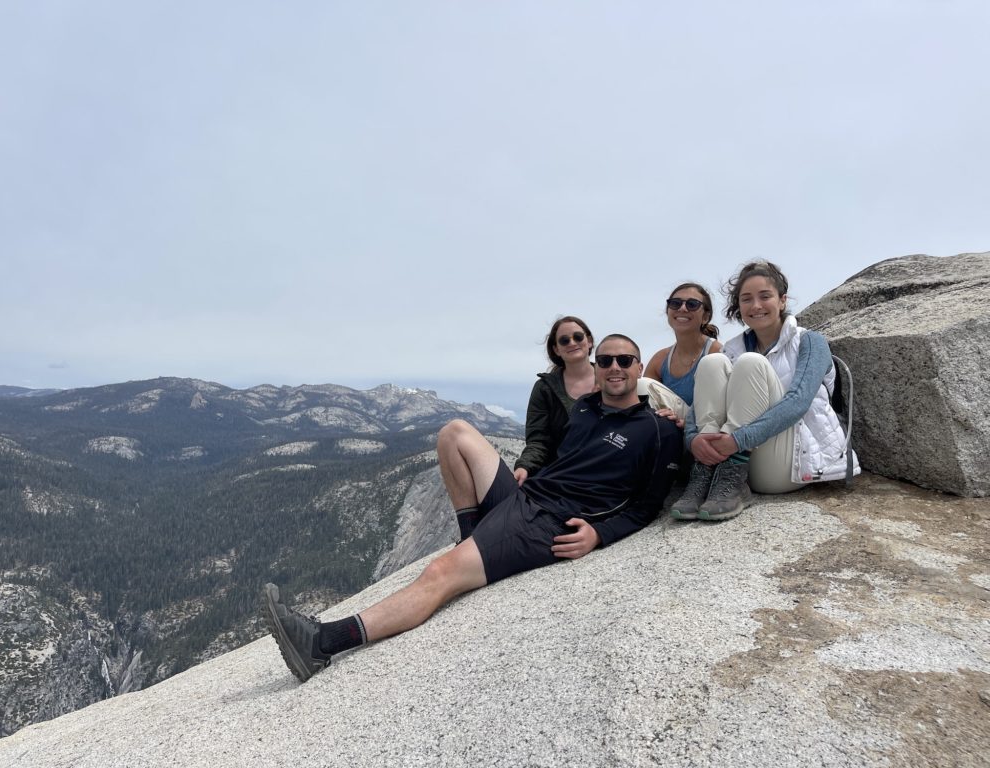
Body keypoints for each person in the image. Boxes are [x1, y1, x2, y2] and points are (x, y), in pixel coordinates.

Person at [262, 334, 682, 682]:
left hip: (546, 523)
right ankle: (475, 536)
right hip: (526, 496)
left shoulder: (658, 430)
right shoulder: (588, 408)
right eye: (605, 359)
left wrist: (598, 534)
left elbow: (647, 507)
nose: (614, 367)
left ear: (639, 367)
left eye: (624, 360)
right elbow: (556, 446)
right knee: (454, 432)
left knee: (440, 572)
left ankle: (321, 644)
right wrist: (523, 469)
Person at [670, 261, 859, 522]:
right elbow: (699, 404)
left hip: (788, 463)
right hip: (735, 464)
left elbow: (798, 402)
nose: (756, 306)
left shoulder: (810, 341)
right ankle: (704, 473)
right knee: (712, 362)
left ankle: (731, 470)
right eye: (746, 299)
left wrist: (737, 440)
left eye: (765, 296)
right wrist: (694, 440)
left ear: (782, 300)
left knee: (751, 363)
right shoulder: (731, 349)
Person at [511, 316, 596, 496]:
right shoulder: (544, 388)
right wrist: (525, 466)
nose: (572, 342)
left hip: (602, 470)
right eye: (564, 340)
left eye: (578, 337)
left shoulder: (611, 377)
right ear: (556, 349)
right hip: (559, 474)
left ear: (589, 341)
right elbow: (538, 441)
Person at [641, 283, 722, 424]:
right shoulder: (659, 360)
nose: (682, 308)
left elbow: (724, 407)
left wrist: (689, 425)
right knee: (642, 385)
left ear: (705, 317)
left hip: (707, 429)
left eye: (692, 304)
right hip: (671, 431)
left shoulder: (717, 353)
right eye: (675, 303)